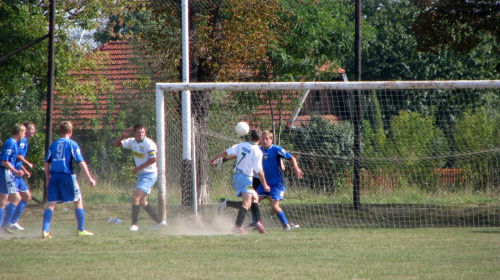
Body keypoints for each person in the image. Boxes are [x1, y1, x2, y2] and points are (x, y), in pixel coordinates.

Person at [220, 130, 303, 231]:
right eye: (263, 139)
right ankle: (250, 219)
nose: (264, 140)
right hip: (264, 184)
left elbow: (292, 158)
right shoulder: (259, 150)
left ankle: (286, 225)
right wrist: (225, 159)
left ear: (271, 140)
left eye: (267, 139)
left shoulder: (276, 149)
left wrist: (296, 168)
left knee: (274, 206)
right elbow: (239, 154)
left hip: (277, 184)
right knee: (250, 203)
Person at [42, 121, 97, 239]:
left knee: (51, 204)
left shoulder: (53, 145)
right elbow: (81, 162)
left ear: (60, 131)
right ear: (71, 131)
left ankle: (45, 231)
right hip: (67, 176)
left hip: (54, 177)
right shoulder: (72, 144)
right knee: (78, 200)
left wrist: (47, 179)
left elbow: (46, 164)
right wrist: (90, 178)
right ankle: (81, 230)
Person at [210, 129, 269, 234]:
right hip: (245, 178)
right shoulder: (258, 152)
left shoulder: (242, 145)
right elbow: (259, 170)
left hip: (237, 176)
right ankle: (237, 227)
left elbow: (225, 152)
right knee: (247, 203)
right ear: (260, 139)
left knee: (254, 198)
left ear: (250, 137)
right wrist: (265, 184)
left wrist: (214, 158)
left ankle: (258, 222)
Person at [113, 124, 166, 231]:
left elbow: (153, 159)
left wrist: (138, 168)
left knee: (135, 197)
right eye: (138, 132)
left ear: (145, 132)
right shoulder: (132, 141)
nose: (141, 134)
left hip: (150, 174)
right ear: (134, 133)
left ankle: (134, 225)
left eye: (143, 132)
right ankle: (160, 222)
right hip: (142, 174)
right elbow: (116, 144)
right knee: (142, 201)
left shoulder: (149, 143)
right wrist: (123, 136)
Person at [8, 122, 36, 230]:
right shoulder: (20, 141)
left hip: (18, 172)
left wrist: (25, 169)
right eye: (31, 129)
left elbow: (18, 158)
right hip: (13, 173)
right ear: (25, 130)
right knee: (10, 199)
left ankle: (12, 221)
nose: (33, 131)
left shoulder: (25, 141)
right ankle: (7, 222)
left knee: (27, 197)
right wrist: (28, 163)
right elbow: (17, 155)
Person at [0, 124, 26, 234]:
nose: (24, 135)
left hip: (6, 172)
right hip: (5, 172)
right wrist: (15, 171)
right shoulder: (10, 143)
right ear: (19, 132)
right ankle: (5, 224)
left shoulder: (13, 143)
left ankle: (4, 226)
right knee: (16, 197)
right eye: (23, 132)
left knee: (3, 200)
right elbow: (4, 161)